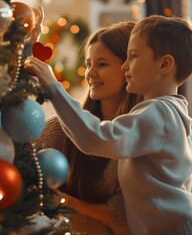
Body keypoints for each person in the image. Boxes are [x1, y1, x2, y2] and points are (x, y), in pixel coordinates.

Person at [25, 15, 192, 235]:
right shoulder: (161, 113)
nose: (126, 66)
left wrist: (53, 87)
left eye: (133, 56)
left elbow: (95, 138)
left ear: (164, 64)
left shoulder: (159, 114)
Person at [35, 21, 142, 235]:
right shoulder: (60, 129)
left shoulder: (139, 134)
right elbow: (22, 159)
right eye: (89, 63)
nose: (90, 73)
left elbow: (126, 217)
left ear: (127, 69)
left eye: (102, 64)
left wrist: (66, 201)